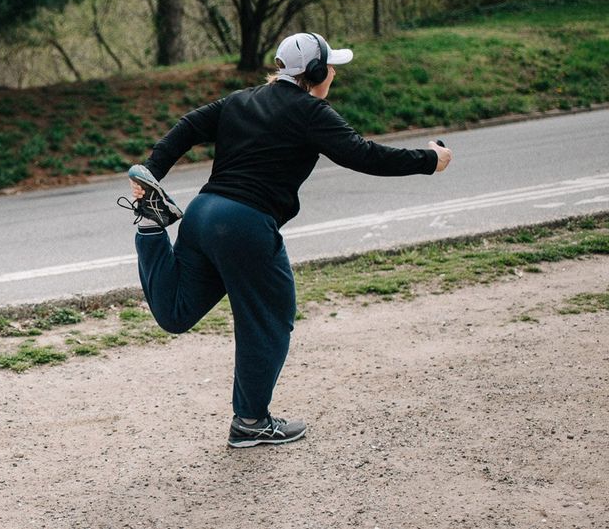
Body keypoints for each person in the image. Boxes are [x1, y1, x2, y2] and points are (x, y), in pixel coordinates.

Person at [120, 32, 453, 448]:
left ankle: (152, 227)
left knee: (176, 313)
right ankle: (251, 422)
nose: (333, 73)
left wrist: (153, 170)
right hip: (246, 225)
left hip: (204, 214)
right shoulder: (312, 112)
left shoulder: (239, 100)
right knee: (270, 318)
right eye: (330, 66)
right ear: (315, 72)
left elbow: (188, 126)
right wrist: (429, 161)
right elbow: (364, 155)